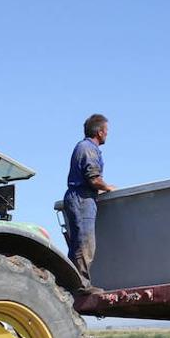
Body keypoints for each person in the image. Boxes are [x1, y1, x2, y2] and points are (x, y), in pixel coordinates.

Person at [63, 114, 114, 288]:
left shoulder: (84, 147)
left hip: (80, 197)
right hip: (82, 199)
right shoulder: (88, 149)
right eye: (106, 131)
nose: (107, 134)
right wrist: (108, 188)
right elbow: (93, 178)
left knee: (79, 242)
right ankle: (81, 285)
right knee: (85, 243)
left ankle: (72, 283)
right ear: (100, 132)